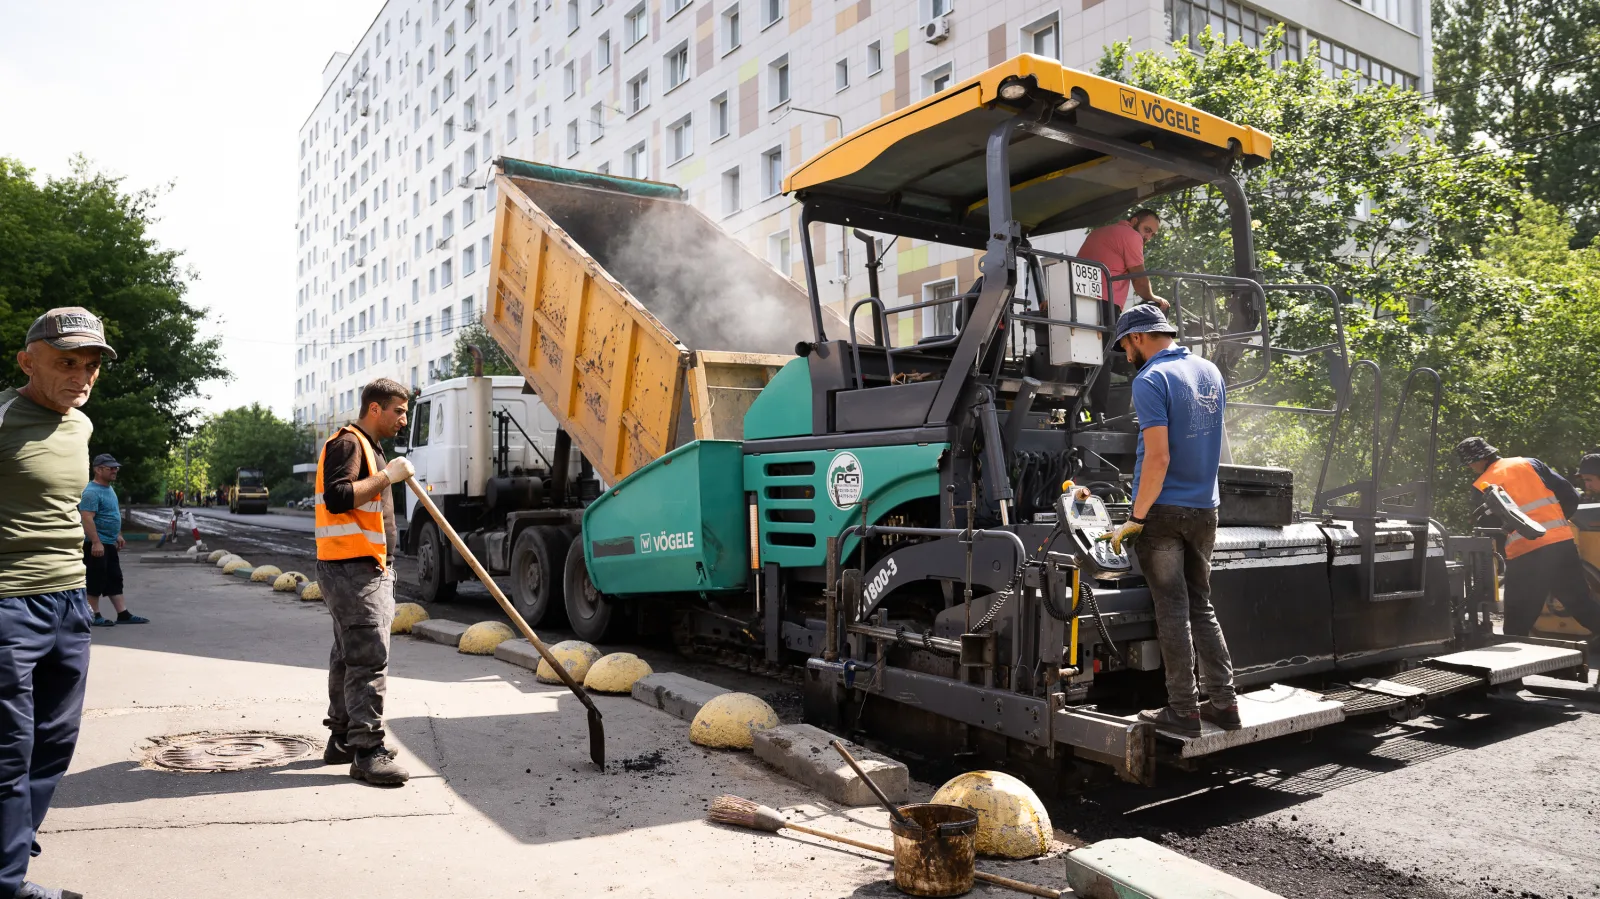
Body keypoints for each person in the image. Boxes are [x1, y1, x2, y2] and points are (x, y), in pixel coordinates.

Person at [0, 307, 116, 899]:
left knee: (54, 743)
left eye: (91, 364)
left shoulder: (81, 426)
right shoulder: (2, 418)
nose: (82, 374)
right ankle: (7, 882)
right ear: (27, 361)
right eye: (66, 362)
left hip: (69, 602)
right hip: (7, 605)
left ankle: (15, 844)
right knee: (7, 752)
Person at [1103, 304, 1238, 736]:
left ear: (1140, 337)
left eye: (1126, 345)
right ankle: (1225, 703)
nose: (1127, 355)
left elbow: (1158, 458)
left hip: (1162, 512)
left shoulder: (1151, 379)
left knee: (1173, 611)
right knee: (1203, 605)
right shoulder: (1209, 371)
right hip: (1206, 507)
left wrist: (1134, 519)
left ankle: (1183, 710)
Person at [316, 378, 414, 786]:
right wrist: (387, 477)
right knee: (369, 658)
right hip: (354, 569)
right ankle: (367, 751)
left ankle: (342, 739)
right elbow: (338, 497)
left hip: (358, 566)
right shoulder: (349, 444)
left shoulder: (369, 447)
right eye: (398, 411)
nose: (404, 420)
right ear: (375, 408)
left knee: (348, 654)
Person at [1456, 438, 1600, 638]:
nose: (1471, 468)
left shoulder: (1482, 485)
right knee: (1581, 604)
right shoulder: (1531, 463)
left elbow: (1490, 529)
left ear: (1479, 459)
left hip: (1527, 555)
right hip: (1562, 545)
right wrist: (1556, 524)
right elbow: (1571, 496)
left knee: (1517, 621)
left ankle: (1516, 665)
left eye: (1470, 463)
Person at [78, 454, 149, 628]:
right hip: (96, 545)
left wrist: (117, 534)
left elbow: (111, 514)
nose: (115, 470)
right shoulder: (91, 492)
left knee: (114, 578)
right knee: (95, 579)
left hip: (108, 543)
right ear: (98, 469)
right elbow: (86, 517)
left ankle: (123, 614)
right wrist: (95, 541)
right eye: (111, 467)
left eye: (116, 467)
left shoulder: (108, 489)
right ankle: (93, 614)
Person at [1075, 209, 1169, 311]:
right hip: (1105, 302)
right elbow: (1139, 280)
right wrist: (1152, 297)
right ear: (1134, 221)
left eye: (1152, 234)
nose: (1148, 236)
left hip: (1077, 297)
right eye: (1147, 230)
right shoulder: (1133, 235)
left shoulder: (1096, 232)